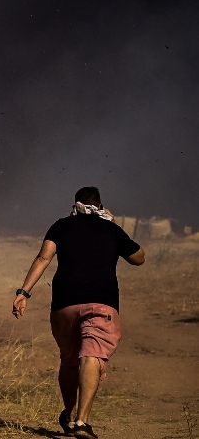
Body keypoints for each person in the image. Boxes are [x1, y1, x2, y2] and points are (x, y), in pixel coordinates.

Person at [12, 187, 145, 439]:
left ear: (75, 205)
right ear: (100, 206)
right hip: (101, 304)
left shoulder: (60, 227)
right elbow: (139, 258)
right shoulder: (112, 230)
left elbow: (43, 258)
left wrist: (23, 292)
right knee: (92, 354)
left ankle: (70, 415)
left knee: (70, 360)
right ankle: (82, 422)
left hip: (63, 305)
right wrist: (114, 225)